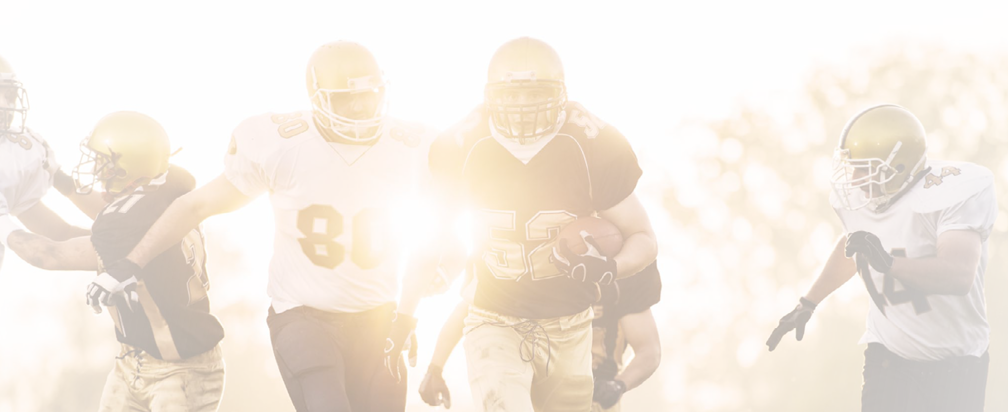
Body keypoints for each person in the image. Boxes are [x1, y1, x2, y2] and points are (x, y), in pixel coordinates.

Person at [93, 41, 439, 412]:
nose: (359, 107)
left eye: (368, 94)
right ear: (318, 98)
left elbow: (435, 238)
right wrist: (131, 263)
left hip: (378, 317)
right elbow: (195, 205)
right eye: (345, 98)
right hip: (304, 317)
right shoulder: (283, 145)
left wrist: (406, 317)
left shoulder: (415, 147)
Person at [425, 37, 658, 412]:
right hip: (494, 318)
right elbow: (438, 230)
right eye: (512, 94)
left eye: (535, 93)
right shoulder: (462, 145)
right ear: (490, 95)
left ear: (560, 93)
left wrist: (610, 268)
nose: (523, 105)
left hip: (570, 326)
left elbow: (643, 237)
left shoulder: (592, 144)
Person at [765, 104, 996, 411]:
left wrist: (888, 263)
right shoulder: (861, 199)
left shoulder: (955, 194)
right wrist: (808, 302)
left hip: (958, 366)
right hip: (890, 361)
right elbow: (854, 247)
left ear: (898, 166)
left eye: (865, 168)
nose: (855, 179)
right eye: (853, 167)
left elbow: (958, 275)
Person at [0, 111, 226, 411]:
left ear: (130, 167)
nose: (96, 169)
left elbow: (49, 253)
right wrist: (57, 178)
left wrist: (2, 219)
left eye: (104, 162)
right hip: (133, 363)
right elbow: (102, 221)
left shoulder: (130, 226)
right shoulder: (166, 185)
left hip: (182, 371)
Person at [417, 262, 663, 412]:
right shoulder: (527, 255)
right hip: (527, 381)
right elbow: (471, 308)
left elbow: (649, 351)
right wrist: (435, 367)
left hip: (593, 392)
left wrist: (618, 385)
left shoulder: (625, 272)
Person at [0, 53, 103, 273]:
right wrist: (133, 253)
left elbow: (60, 234)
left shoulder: (19, 149)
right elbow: (44, 255)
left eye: (8, 95)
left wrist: (145, 240)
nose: (3, 104)